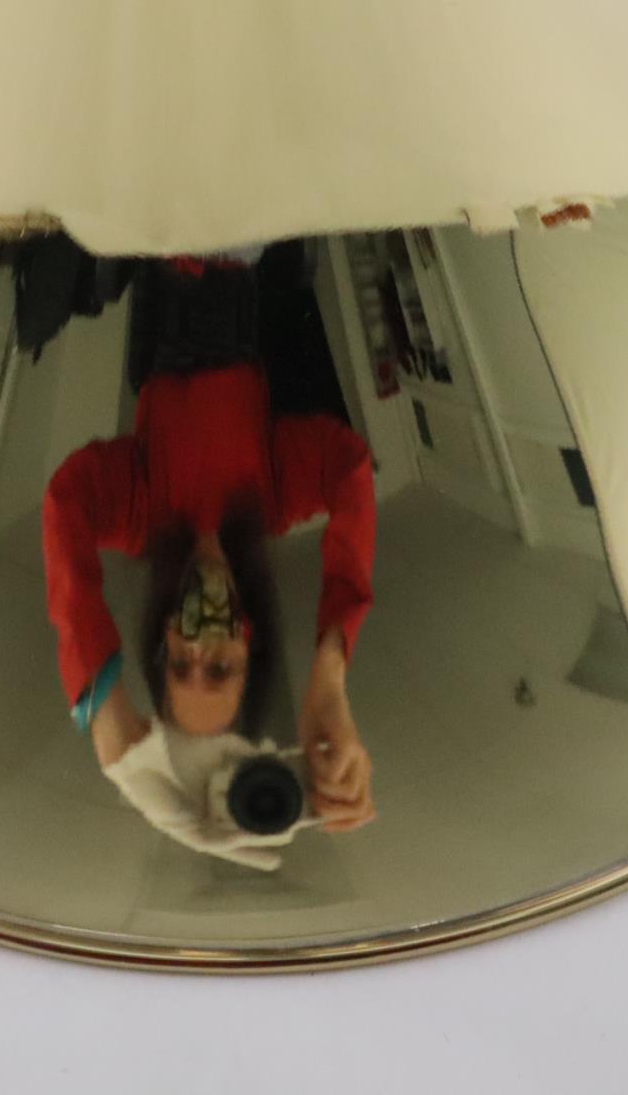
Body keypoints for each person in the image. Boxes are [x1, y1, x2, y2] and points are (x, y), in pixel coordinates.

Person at [41, 253, 377, 834]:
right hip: (234, 266)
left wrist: (102, 704)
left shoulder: (140, 519)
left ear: (163, 640)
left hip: (156, 276)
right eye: (219, 668)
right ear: (250, 642)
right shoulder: (272, 503)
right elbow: (349, 468)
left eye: (180, 664)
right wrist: (329, 673)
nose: (198, 649)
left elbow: (66, 500)